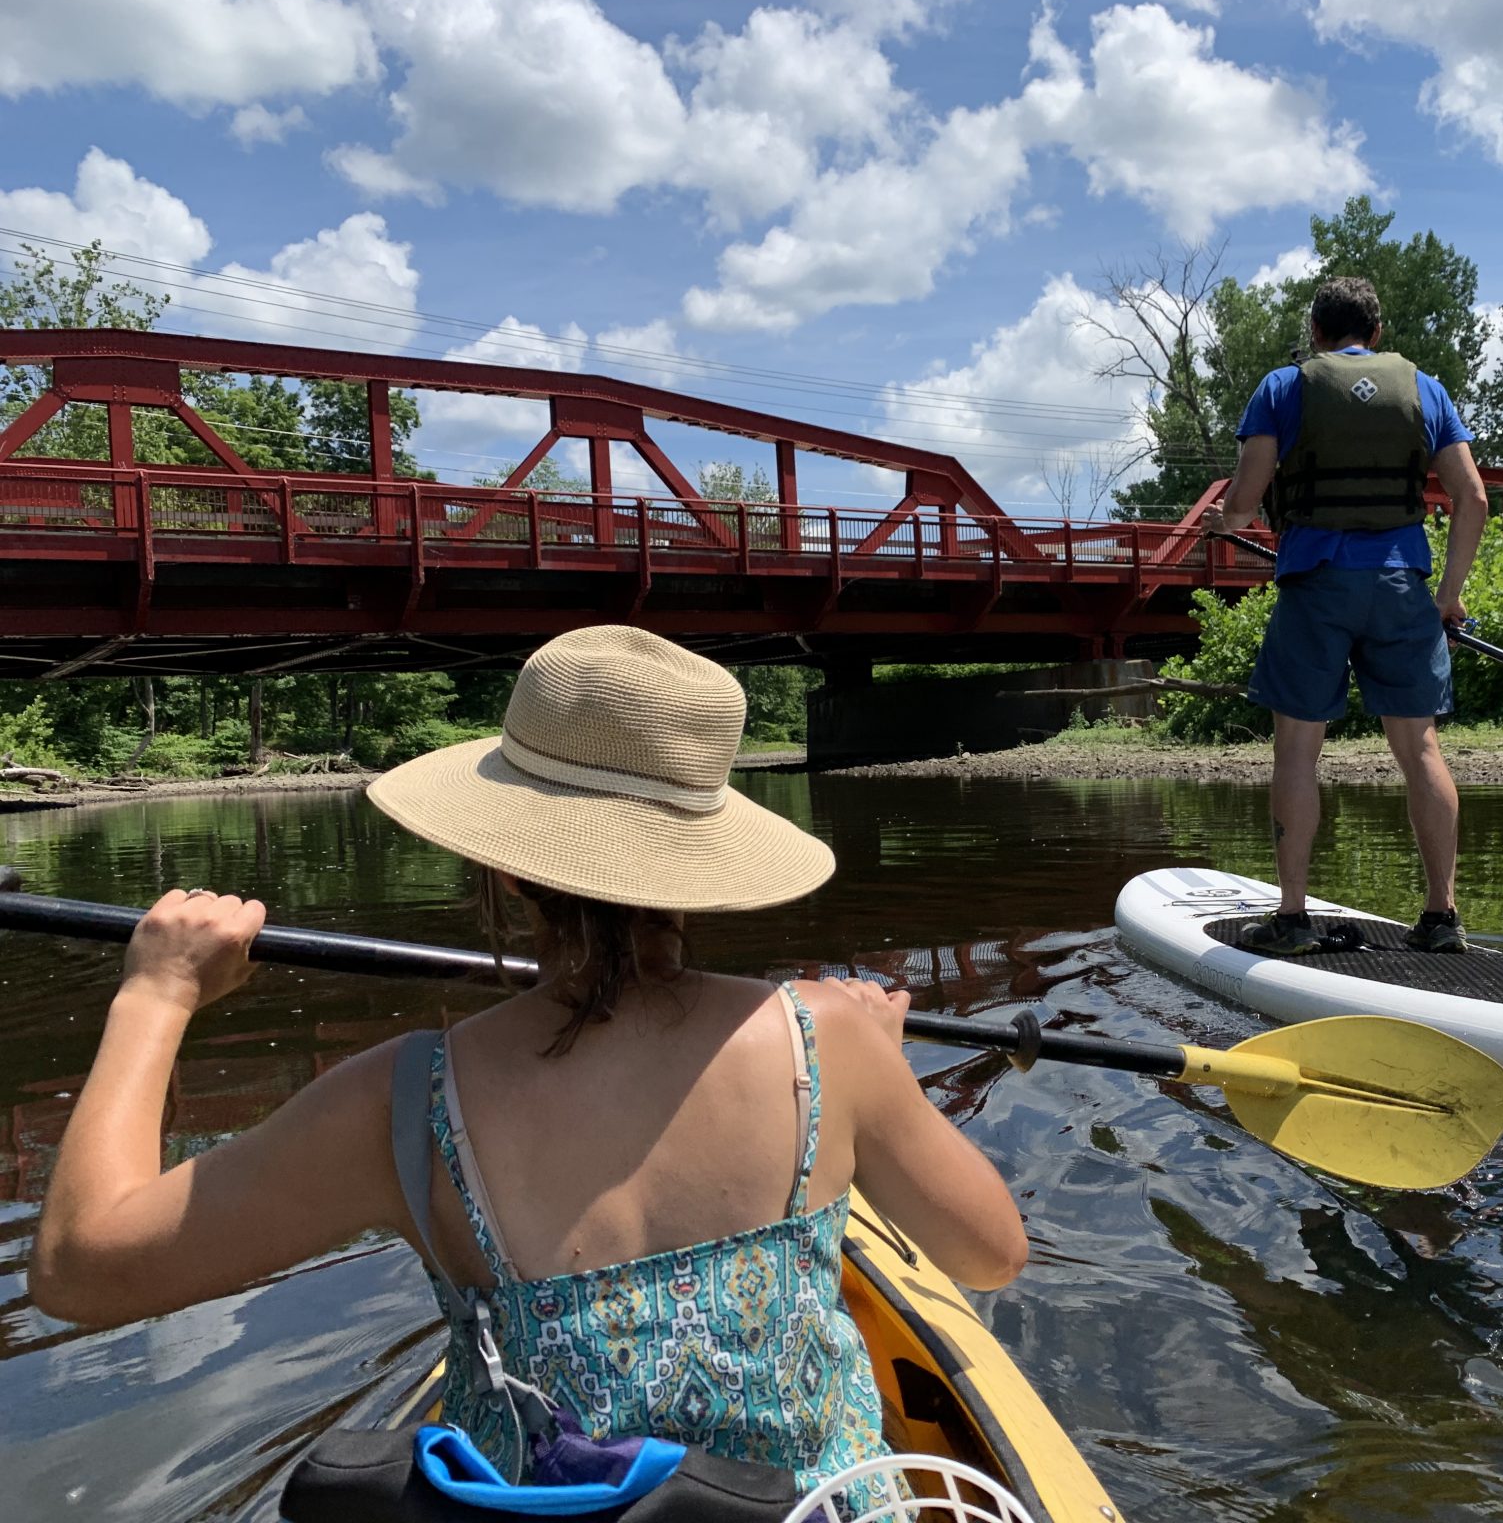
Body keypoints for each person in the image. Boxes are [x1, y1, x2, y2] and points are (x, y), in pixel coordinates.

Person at [27, 625, 1028, 1493]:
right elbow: (990, 1255)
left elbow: (78, 1270)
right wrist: (877, 1070)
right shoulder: (832, 1039)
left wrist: (156, 995)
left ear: (501, 863)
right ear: (705, 853)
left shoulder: (402, 1103)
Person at [1203, 277, 1488, 954]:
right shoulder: (1426, 389)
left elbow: (1244, 500)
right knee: (1420, 749)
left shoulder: (1283, 387)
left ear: (1315, 334)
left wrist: (1225, 521)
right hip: (1401, 584)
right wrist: (1447, 597)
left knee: (1298, 750)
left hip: (1317, 584)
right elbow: (1473, 499)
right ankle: (1442, 917)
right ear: (1377, 334)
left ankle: (1293, 918)